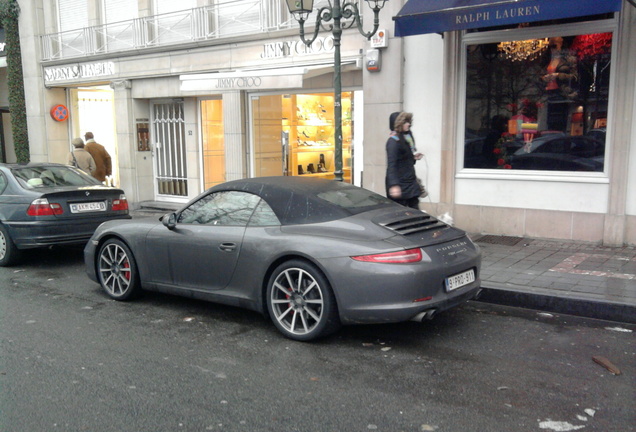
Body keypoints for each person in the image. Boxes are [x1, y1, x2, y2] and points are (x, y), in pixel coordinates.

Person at [385, 112, 423, 209]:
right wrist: (394, 185)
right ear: (398, 124)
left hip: (410, 182)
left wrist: (413, 158)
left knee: (415, 212)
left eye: (409, 122)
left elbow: (404, 159)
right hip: (400, 184)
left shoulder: (406, 138)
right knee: (399, 214)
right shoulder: (393, 141)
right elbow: (391, 165)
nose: (408, 124)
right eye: (405, 122)